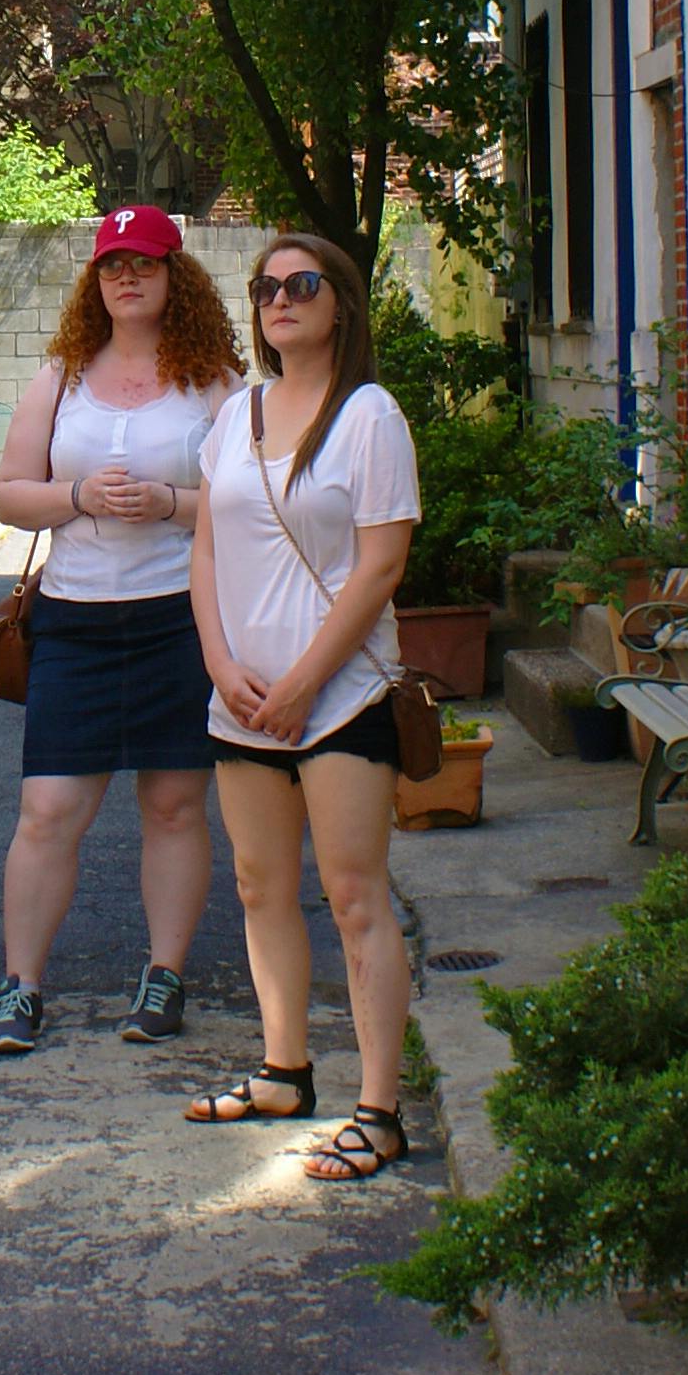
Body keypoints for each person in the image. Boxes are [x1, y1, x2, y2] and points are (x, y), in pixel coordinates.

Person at [180, 232, 421, 1184]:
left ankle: (381, 1111)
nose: (280, 299)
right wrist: (220, 661)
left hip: (340, 700)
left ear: (341, 304)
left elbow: (383, 563)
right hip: (242, 701)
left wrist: (304, 681)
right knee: (258, 887)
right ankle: (284, 1071)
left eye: (302, 284)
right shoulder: (233, 415)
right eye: (266, 286)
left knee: (355, 896)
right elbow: (204, 552)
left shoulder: (368, 416)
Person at [0, 206, 242, 1055]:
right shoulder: (61, 375)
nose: (126, 275)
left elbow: (249, 506)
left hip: (178, 615)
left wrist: (169, 504)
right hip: (75, 619)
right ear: (95, 282)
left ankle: (162, 976)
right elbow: (11, 491)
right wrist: (80, 497)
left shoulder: (216, 383)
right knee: (49, 809)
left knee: (172, 805)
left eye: (145, 263)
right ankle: (21, 987)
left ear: (178, 279)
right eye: (111, 264)